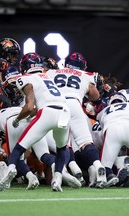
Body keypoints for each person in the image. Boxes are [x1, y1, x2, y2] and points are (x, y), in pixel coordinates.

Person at [0, 53, 72, 192]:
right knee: (61, 149)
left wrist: (18, 119)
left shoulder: (25, 78)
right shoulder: (49, 75)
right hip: (65, 112)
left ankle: (11, 169)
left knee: (19, 147)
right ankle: (57, 179)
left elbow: (30, 106)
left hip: (47, 112)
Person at [46, 52, 107, 188]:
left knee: (63, 144)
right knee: (85, 142)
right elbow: (95, 96)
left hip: (57, 105)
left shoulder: (51, 72)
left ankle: (72, 170)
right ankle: (98, 166)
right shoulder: (85, 75)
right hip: (74, 104)